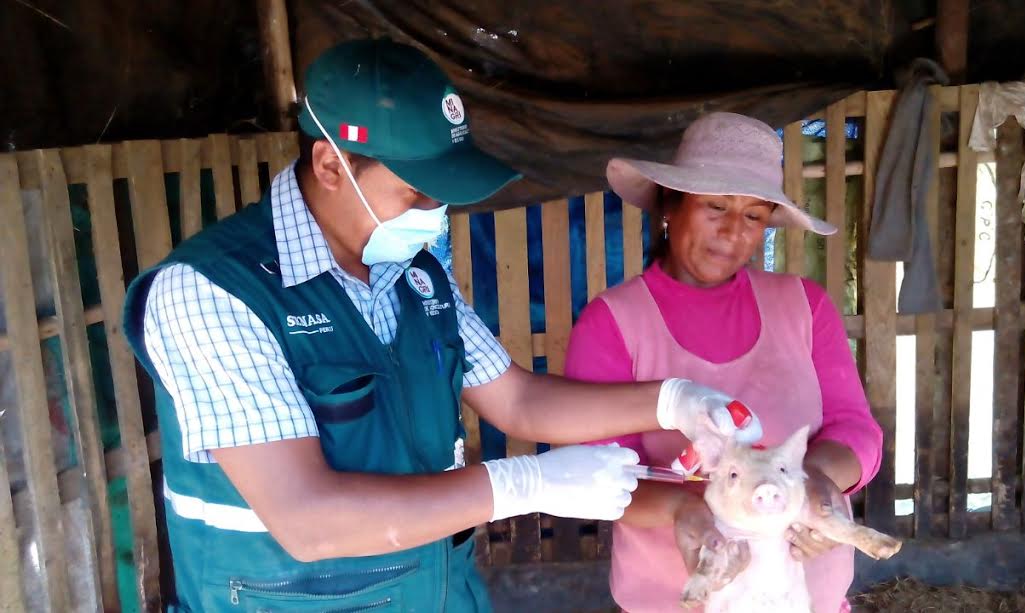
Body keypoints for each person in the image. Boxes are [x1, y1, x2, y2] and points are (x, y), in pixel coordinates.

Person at [121, 39, 745, 612]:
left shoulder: (416, 278)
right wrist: (525, 484)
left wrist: (673, 403)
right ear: (331, 164)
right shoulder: (212, 293)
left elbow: (520, 401)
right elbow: (308, 521)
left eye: (442, 196)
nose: (435, 214)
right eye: (417, 194)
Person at [564, 112, 884, 613]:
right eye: (716, 207)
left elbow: (857, 430)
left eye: (753, 216)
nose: (733, 231)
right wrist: (685, 508)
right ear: (669, 205)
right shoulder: (612, 325)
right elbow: (597, 474)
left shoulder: (804, 306)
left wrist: (811, 485)